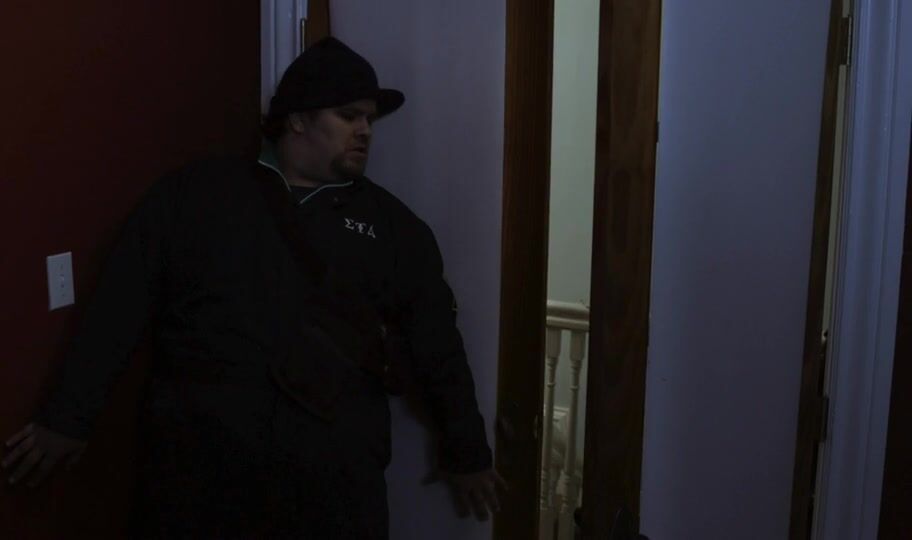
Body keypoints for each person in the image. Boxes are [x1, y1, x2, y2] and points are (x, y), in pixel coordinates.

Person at [2, 36, 504, 538]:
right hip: (198, 474)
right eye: (348, 115)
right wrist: (67, 417)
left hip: (332, 481)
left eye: (370, 119)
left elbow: (437, 343)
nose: (365, 131)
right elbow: (119, 305)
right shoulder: (196, 196)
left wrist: (468, 453)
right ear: (298, 119)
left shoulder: (394, 228)